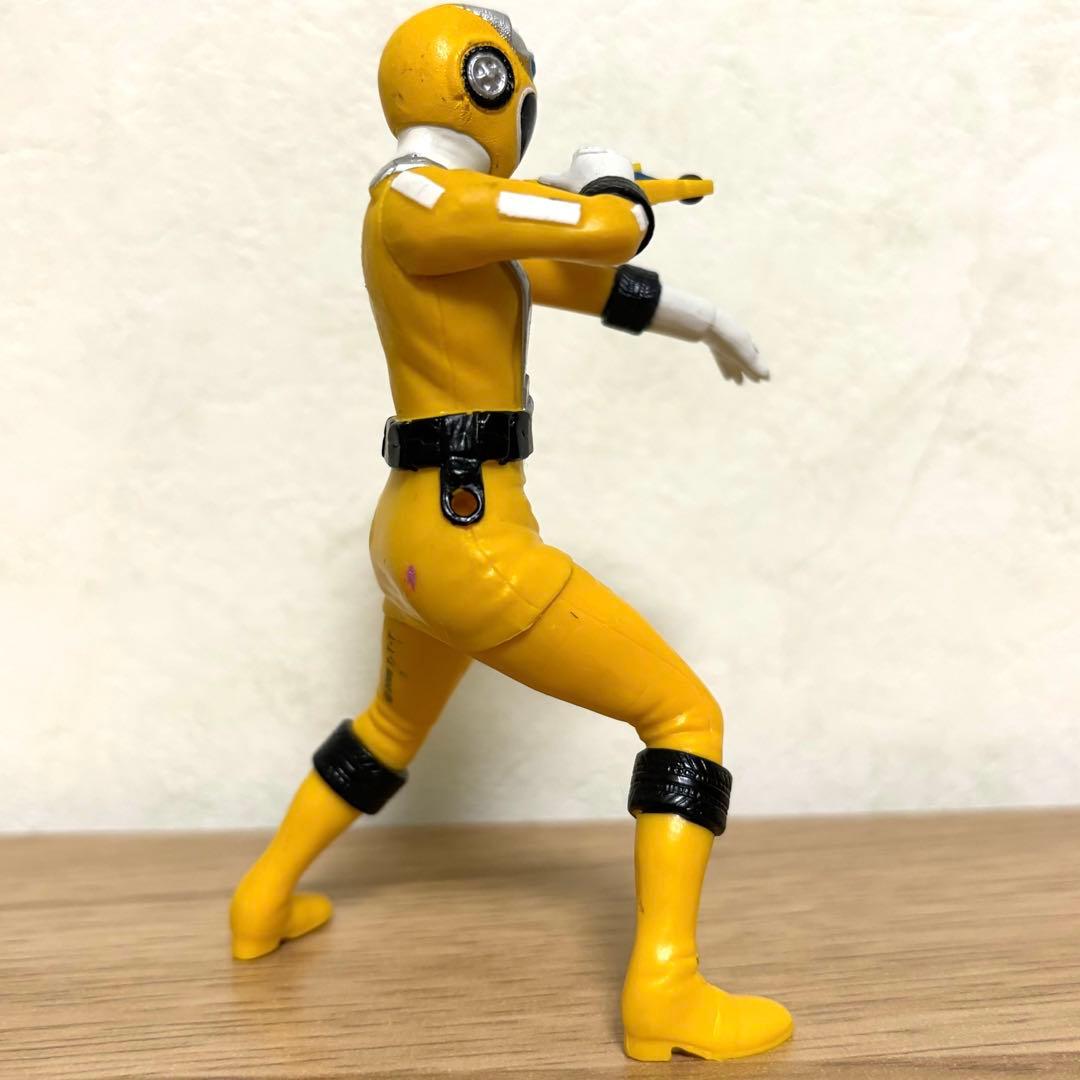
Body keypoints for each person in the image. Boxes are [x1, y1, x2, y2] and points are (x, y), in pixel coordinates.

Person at [230, 4, 792, 1062]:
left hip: (412, 536)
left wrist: (705, 318)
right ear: (487, 87)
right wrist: (609, 183)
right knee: (685, 716)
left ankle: (260, 902)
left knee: (388, 729)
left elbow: (575, 276)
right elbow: (604, 232)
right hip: (471, 538)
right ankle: (665, 991)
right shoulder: (421, 200)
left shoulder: (445, 214)